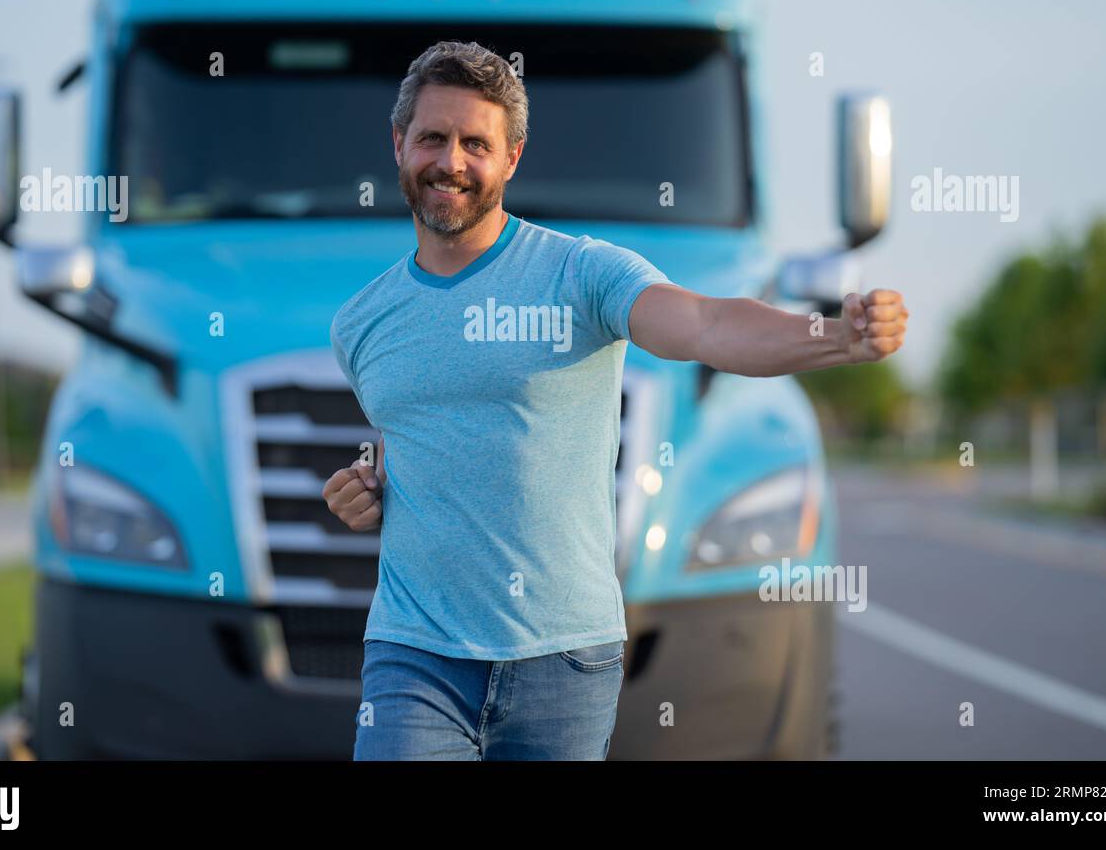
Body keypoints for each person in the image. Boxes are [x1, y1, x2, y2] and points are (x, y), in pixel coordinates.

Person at [325, 40, 908, 760]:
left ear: (511, 158)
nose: (451, 161)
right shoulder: (361, 323)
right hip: (414, 654)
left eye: (476, 143)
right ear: (399, 144)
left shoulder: (582, 274)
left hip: (564, 660)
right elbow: (416, 433)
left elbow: (706, 323)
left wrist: (833, 338)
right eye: (433, 138)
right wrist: (367, 489)